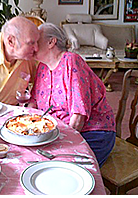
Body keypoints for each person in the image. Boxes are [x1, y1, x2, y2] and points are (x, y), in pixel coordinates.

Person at [30, 23, 116, 167]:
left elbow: (78, 117)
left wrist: (61, 146)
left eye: (35, 41)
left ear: (51, 42)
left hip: (93, 133)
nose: (31, 46)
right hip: (57, 132)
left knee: (61, 170)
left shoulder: (71, 61)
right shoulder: (42, 67)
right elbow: (34, 103)